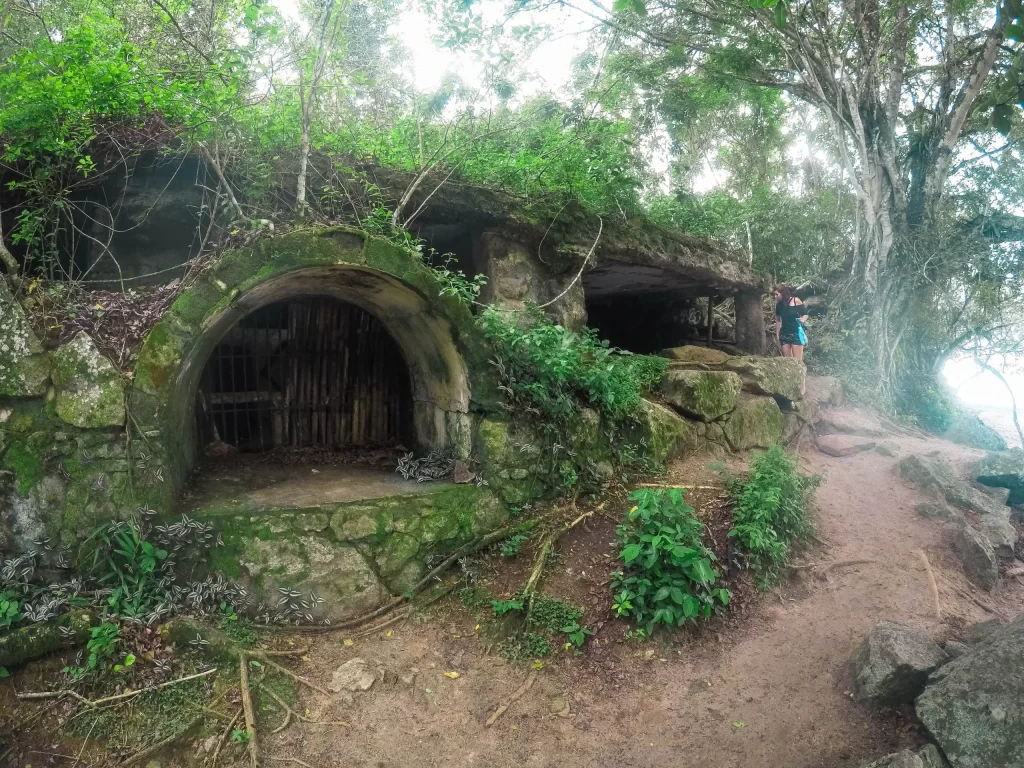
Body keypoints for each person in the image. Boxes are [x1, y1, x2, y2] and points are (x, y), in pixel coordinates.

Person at [773, 284, 808, 360]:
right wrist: (777, 335)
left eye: (776, 294)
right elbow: (778, 320)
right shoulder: (779, 305)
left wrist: (803, 319)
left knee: (798, 362)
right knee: (788, 362)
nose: (775, 297)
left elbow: (805, 314)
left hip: (796, 333)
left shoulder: (796, 301)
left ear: (783, 293)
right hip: (784, 334)